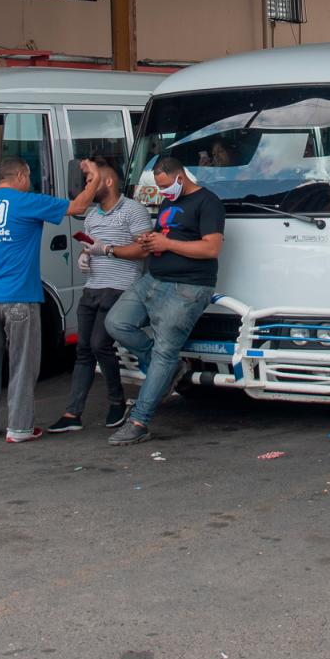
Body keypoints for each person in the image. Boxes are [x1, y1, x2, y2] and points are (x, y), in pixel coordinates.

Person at [0, 157, 102, 444]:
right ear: (21, 176)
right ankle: (19, 428)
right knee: (22, 363)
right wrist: (94, 180)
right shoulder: (25, 201)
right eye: (28, 177)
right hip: (18, 295)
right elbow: (77, 207)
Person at [105, 156, 225, 447]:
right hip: (154, 279)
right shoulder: (170, 202)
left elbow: (211, 248)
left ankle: (139, 421)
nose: (162, 193)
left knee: (165, 350)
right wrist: (151, 241)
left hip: (188, 287)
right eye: (158, 187)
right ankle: (167, 369)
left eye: (166, 186)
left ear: (180, 178)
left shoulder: (208, 202)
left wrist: (167, 243)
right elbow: (167, 235)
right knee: (116, 323)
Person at [47, 158, 148, 434]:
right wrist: (85, 257)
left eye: (93, 180)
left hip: (120, 287)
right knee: (83, 350)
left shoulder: (133, 210)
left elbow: (144, 250)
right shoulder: (91, 215)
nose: (88, 186)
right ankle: (72, 413)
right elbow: (90, 247)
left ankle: (117, 401)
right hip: (92, 288)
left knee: (99, 344)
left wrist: (108, 250)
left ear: (109, 181)